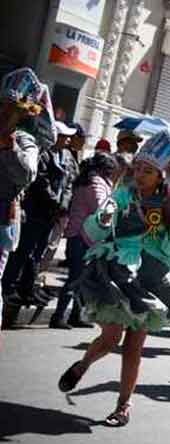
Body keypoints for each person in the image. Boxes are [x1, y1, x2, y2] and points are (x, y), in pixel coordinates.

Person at [56, 129, 170, 426]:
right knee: (110, 338)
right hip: (118, 269)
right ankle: (82, 365)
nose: (142, 175)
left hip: (151, 279)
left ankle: (123, 406)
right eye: (139, 169)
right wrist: (104, 219)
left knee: (134, 345)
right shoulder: (122, 194)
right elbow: (96, 231)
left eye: (149, 171)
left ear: (162, 176)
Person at [2, 119, 74, 316]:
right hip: (37, 211)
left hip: (51, 215)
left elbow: (69, 183)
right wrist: (56, 203)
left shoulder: (66, 156)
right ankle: (8, 286)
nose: (68, 140)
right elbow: (40, 182)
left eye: (68, 137)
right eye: (64, 136)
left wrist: (64, 204)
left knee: (38, 254)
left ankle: (27, 287)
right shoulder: (43, 153)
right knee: (22, 251)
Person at [0, 68, 49, 331]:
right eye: (4, 106)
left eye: (12, 108)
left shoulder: (24, 141)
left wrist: (10, 147)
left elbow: (27, 174)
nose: (5, 112)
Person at [50, 152, 120, 328]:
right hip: (82, 236)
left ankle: (75, 315)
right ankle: (58, 317)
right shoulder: (95, 182)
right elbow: (101, 206)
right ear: (106, 169)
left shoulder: (88, 180)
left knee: (81, 278)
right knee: (76, 278)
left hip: (79, 236)